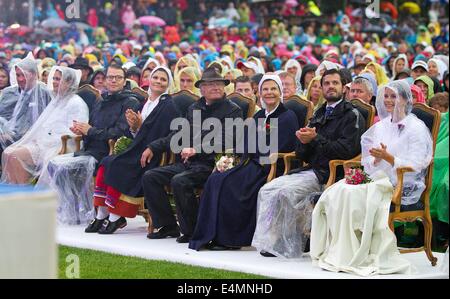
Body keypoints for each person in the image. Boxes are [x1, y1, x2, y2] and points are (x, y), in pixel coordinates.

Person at [310, 80, 433, 276]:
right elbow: (368, 158)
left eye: (394, 96)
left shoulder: (415, 127)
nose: (389, 100)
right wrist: (375, 160)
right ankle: (341, 249)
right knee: (339, 191)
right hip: (378, 177)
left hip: (400, 182)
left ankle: (357, 251)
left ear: (405, 99)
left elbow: (418, 163)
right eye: (386, 96)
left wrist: (389, 158)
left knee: (354, 194)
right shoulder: (382, 126)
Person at [252, 69, 365, 258]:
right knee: (268, 189)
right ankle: (274, 240)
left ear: (344, 87)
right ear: (321, 88)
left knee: (286, 192)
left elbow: (347, 151)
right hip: (311, 170)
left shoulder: (351, 114)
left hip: (333, 173)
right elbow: (302, 152)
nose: (330, 87)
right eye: (326, 83)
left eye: (334, 83)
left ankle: (292, 243)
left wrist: (316, 138)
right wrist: (304, 142)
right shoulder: (320, 113)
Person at [189, 75, 298, 251]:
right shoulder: (259, 115)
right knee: (215, 178)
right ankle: (210, 235)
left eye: (273, 89)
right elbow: (243, 144)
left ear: (280, 92)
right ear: (260, 93)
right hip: (250, 162)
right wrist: (229, 160)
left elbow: (282, 145)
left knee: (230, 184)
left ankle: (230, 239)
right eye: (265, 89)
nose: (269, 93)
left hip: (268, 166)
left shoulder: (287, 116)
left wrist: (252, 155)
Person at [142, 67, 243, 243]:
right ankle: (167, 226)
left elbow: (228, 140)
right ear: (202, 89)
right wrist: (153, 146)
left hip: (214, 164)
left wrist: (197, 149)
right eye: (211, 84)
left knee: (180, 181)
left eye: (219, 84)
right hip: (190, 163)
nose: (216, 87)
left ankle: (193, 230)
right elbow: (177, 135)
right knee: (151, 176)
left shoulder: (232, 110)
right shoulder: (195, 108)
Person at [36, 64, 141, 225]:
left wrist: (90, 131)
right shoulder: (101, 100)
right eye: (110, 77)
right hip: (91, 148)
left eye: (117, 77)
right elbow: (91, 125)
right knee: (54, 164)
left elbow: (118, 133)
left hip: (110, 152)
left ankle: (87, 212)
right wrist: (80, 130)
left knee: (66, 166)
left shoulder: (130, 101)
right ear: (105, 80)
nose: (113, 80)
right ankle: (73, 208)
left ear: (124, 80)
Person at [85, 66, 180, 234]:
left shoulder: (168, 104)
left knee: (116, 165)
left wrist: (152, 146)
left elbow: (172, 133)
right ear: (149, 80)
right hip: (138, 148)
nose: (158, 81)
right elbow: (139, 132)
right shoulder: (146, 103)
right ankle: (102, 214)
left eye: (163, 79)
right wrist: (135, 127)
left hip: (153, 155)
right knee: (106, 162)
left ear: (168, 84)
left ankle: (116, 216)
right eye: (156, 77)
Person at [1, 67, 89, 184]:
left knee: (21, 156)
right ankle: (19, 191)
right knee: (9, 154)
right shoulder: (57, 100)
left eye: (58, 79)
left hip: (62, 146)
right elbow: (45, 124)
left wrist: (48, 137)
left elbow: (75, 132)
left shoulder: (77, 103)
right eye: (54, 78)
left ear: (69, 82)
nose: (54, 82)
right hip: (44, 143)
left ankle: (29, 194)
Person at [0, 53, 52, 155]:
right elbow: (3, 116)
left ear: (33, 74)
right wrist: (4, 131)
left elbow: (47, 121)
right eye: (18, 75)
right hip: (8, 134)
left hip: (33, 138)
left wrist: (15, 135)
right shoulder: (9, 92)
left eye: (24, 75)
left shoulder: (44, 92)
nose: (20, 79)